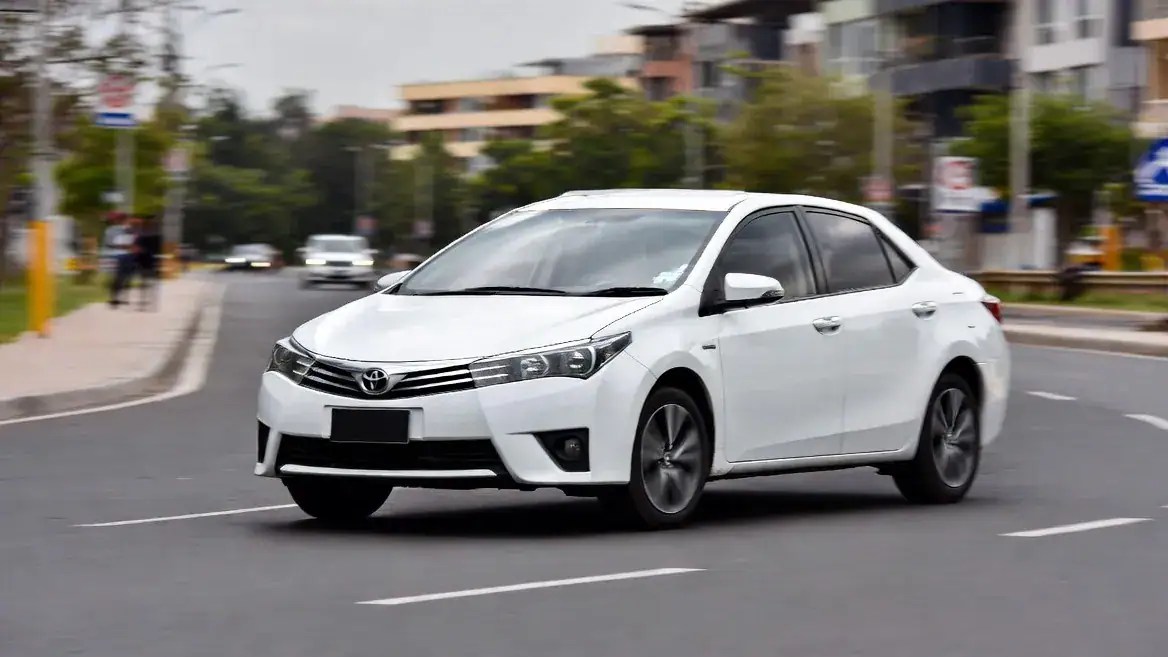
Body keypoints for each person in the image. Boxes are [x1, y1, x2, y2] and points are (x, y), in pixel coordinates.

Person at [104, 212, 137, 307]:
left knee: (127, 277)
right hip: (117, 255)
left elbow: (135, 241)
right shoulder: (111, 230)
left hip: (129, 255)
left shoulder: (131, 229)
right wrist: (122, 246)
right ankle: (114, 298)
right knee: (118, 277)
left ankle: (123, 297)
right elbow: (109, 243)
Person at [133, 216, 163, 310]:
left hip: (148, 260)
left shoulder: (142, 236)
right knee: (148, 282)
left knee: (147, 282)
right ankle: (148, 302)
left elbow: (136, 248)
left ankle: (146, 302)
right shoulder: (156, 236)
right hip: (147, 260)